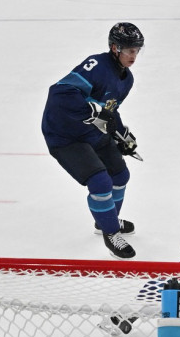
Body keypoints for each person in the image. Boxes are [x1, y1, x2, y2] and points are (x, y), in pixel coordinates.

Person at [41, 22, 144, 259]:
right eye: (130, 50)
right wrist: (92, 110)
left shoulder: (126, 79)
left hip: (91, 132)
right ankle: (111, 232)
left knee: (120, 176)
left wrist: (121, 134)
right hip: (64, 135)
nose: (134, 55)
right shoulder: (96, 65)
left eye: (137, 50)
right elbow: (59, 93)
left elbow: (109, 110)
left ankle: (106, 221)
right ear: (115, 48)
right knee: (100, 182)